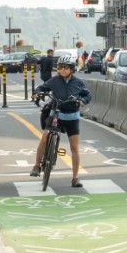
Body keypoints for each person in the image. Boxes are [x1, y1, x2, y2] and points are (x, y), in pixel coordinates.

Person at [32, 57, 91, 186]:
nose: (63, 70)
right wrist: (37, 93)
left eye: (66, 67)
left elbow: (88, 95)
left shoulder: (78, 82)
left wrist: (83, 101)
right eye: (60, 67)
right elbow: (41, 88)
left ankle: (75, 178)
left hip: (72, 118)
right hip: (56, 115)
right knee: (44, 137)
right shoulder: (54, 81)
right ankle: (36, 166)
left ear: (72, 69)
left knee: (74, 148)